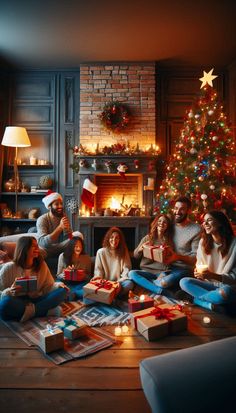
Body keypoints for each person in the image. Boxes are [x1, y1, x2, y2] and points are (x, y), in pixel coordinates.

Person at [130, 197, 201, 296]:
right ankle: (163, 290)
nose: (177, 211)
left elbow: (196, 258)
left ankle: (153, 285)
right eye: (176, 208)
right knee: (133, 274)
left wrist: (176, 257)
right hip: (168, 268)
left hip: (182, 268)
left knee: (164, 282)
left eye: (182, 209)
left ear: (189, 210)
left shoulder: (196, 229)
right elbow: (159, 228)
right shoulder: (169, 225)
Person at [0, 236, 68, 322]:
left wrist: (58, 285)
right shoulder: (8, 268)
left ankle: (29, 313)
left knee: (63, 291)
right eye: (33, 246)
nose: (37, 248)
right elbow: (1, 295)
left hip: (37, 299)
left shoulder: (41, 264)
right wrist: (11, 291)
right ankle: (44, 311)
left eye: (37, 245)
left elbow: (48, 286)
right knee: (4, 305)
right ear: (24, 248)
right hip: (17, 301)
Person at [180, 210, 236, 311]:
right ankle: (212, 302)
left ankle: (197, 300)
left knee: (226, 292)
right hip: (209, 285)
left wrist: (213, 275)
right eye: (204, 221)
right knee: (184, 282)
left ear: (220, 223)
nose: (204, 224)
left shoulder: (234, 244)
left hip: (228, 287)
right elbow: (199, 264)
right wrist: (197, 272)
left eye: (209, 220)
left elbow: (234, 278)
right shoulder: (203, 242)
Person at [128, 214, 174, 294]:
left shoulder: (169, 241)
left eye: (165, 222)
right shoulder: (148, 238)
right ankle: (158, 291)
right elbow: (135, 255)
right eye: (159, 221)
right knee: (132, 273)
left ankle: (149, 285)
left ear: (167, 226)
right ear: (156, 223)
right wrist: (140, 249)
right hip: (146, 271)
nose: (161, 223)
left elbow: (170, 260)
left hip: (161, 272)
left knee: (164, 283)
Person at [93, 227, 133, 297]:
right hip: (105, 283)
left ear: (120, 240)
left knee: (129, 284)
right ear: (108, 239)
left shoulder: (123, 251)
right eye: (112, 237)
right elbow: (98, 270)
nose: (114, 240)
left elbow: (126, 269)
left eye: (117, 238)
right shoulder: (100, 252)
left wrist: (118, 282)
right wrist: (98, 277)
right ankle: (113, 296)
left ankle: (108, 296)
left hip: (119, 283)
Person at [56, 231, 92, 300]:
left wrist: (83, 275)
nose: (79, 249)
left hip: (80, 284)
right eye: (76, 246)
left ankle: (72, 293)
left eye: (80, 247)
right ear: (71, 246)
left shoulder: (86, 258)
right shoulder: (62, 256)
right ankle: (74, 294)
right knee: (57, 284)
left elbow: (89, 277)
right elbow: (58, 275)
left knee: (89, 287)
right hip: (66, 283)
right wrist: (64, 275)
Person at [36, 191, 72, 257]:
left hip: (59, 247)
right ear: (49, 206)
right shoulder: (42, 219)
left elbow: (69, 238)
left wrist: (68, 231)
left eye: (61, 203)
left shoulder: (63, 217)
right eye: (56, 204)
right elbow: (42, 243)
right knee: (40, 251)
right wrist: (60, 227)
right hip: (46, 249)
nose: (60, 206)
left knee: (78, 235)